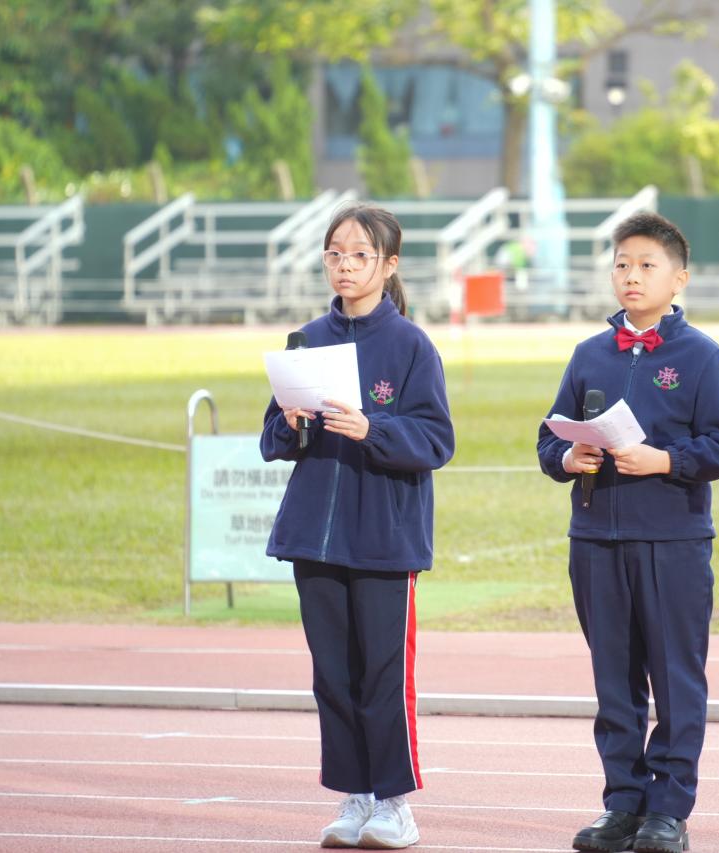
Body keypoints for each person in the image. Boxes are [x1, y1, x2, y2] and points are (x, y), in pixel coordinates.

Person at [536, 212, 719, 853]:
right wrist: (568, 457)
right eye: (622, 264)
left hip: (672, 543)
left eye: (647, 265)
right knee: (615, 683)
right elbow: (550, 439)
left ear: (679, 278)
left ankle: (669, 811)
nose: (632, 275)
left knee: (676, 680)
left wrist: (665, 461)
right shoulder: (589, 355)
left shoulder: (702, 357)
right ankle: (622, 805)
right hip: (594, 540)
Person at [260, 203, 454, 850]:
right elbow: (272, 439)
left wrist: (373, 428)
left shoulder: (411, 346)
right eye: (334, 254)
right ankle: (356, 797)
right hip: (313, 535)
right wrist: (288, 423)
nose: (345, 265)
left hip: (383, 538)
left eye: (360, 255)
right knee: (333, 677)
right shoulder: (307, 339)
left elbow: (436, 440)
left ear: (389, 264)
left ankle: (395, 804)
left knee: (382, 677)